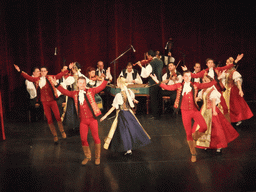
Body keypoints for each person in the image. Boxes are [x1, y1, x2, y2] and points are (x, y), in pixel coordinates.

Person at [150, 70, 217, 162]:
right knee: (188, 133)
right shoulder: (179, 85)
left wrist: (218, 78)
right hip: (185, 112)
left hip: (194, 110)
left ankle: (194, 137)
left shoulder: (195, 84)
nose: (188, 78)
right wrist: (157, 81)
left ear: (191, 77)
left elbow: (208, 85)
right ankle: (193, 153)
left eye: (189, 76)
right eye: (186, 76)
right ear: (183, 77)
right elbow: (167, 87)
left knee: (204, 127)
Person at [54, 68, 111, 165]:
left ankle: (97, 157)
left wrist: (106, 79)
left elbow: (101, 87)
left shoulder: (91, 91)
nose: (82, 85)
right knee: (83, 139)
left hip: (92, 120)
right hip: (83, 121)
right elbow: (64, 91)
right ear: (77, 84)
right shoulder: (74, 94)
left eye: (83, 83)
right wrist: (56, 85)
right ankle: (88, 156)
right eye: (80, 83)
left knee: (96, 138)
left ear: (85, 83)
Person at [14, 63, 74, 143]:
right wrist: (20, 71)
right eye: (41, 71)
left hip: (52, 100)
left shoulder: (51, 77)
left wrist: (68, 69)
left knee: (57, 117)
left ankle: (62, 131)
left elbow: (60, 75)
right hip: (44, 102)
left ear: (47, 72)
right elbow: (28, 77)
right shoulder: (37, 79)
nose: (42, 73)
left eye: (44, 71)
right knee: (49, 119)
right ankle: (55, 135)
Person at [181, 54, 244, 118]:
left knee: (224, 107)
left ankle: (224, 122)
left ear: (213, 64)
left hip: (217, 90)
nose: (210, 64)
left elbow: (227, 67)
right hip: (208, 91)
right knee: (208, 108)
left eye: (212, 63)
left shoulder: (217, 69)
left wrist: (236, 60)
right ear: (207, 64)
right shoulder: (204, 72)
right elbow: (194, 75)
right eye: (209, 63)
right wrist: (186, 71)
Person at [100, 77, 151, 155]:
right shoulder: (129, 92)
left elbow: (114, 107)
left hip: (122, 114)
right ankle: (129, 148)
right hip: (129, 113)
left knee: (124, 132)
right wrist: (134, 100)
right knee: (130, 130)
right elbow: (131, 99)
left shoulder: (119, 95)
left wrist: (105, 116)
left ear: (119, 83)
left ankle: (127, 148)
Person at [193, 75, 239, 153]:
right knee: (203, 128)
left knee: (216, 129)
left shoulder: (212, 90)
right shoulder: (204, 90)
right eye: (203, 81)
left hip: (211, 110)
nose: (204, 82)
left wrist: (214, 111)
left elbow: (214, 101)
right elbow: (199, 98)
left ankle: (219, 145)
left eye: (206, 80)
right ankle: (206, 144)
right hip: (204, 111)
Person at [220, 57, 253, 125]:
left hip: (232, 90)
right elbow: (222, 80)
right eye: (226, 62)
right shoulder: (225, 71)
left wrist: (240, 90)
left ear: (232, 64)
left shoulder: (234, 72)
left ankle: (237, 119)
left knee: (234, 105)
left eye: (228, 62)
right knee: (224, 104)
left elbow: (238, 81)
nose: (227, 64)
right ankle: (226, 118)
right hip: (225, 90)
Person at [138, 50, 163, 120]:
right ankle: (159, 114)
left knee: (154, 100)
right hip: (159, 83)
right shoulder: (160, 61)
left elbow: (145, 74)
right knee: (159, 99)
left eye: (147, 56)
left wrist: (141, 66)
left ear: (149, 56)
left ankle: (155, 115)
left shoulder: (152, 63)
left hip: (153, 84)